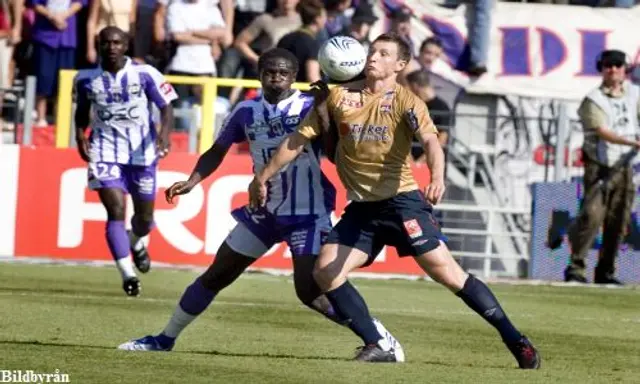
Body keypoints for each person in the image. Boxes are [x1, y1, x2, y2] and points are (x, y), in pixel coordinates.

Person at [249, 33, 540, 368]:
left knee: (450, 276)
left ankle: (516, 341)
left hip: (403, 204)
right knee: (326, 272)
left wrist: (437, 178)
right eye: (372, 51)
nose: (373, 57)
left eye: (383, 54)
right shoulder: (338, 98)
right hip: (363, 209)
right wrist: (262, 177)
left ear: (400, 65)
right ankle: (377, 342)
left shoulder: (406, 101)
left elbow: (431, 143)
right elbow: (296, 140)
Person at [117, 48, 403, 357]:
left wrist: (322, 108)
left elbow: (333, 153)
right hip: (263, 212)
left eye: (284, 73)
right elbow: (217, 150)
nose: (277, 77)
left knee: (309, 291)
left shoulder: (309, 105)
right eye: (270, 72)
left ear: (294, 77)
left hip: (307, 213)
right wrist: (193, 180)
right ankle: (164, 339)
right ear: (260, 75)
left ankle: (376, 335)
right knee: (216, 275)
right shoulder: (246, 111)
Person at [74, 26, 177, 296]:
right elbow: (82, 112)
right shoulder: (85, 78)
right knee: (115, 212)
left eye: (116, 42)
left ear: (126, 45)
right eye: (105, 42)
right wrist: (79, 135)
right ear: (98, 45)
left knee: (144, 219)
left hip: (142, 153)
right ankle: (128, 274)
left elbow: (167, 106)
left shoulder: (145, 74)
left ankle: (137, 242)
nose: (111, 47)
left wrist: (164, 136)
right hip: (105, 151)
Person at [565, 49, 640, 285]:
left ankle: (606, 270)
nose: (613, 69)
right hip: (600, 166)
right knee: (591, 216)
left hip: (625, 166)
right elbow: (602, 132)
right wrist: (633, 142)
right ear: (601, 69)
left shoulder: (635, 95)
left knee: (619, 221)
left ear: (625, 69)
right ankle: (576, 268)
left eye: (618, 65)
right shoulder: (593, 99)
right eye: (608, 65)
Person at [405, 70, 451, 164]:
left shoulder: (442, 108)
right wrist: (410, 160)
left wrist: (421, 162)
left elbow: (442, 139)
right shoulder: (413, 106)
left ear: (414, 86)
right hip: (410, 164)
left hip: (431, 164)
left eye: (408, 87)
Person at [276, 0, 326, 83]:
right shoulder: (312, 43)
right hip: (302, 94)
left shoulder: (285, 38)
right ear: (318, 19)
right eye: (324, 16)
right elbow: (312, 76)